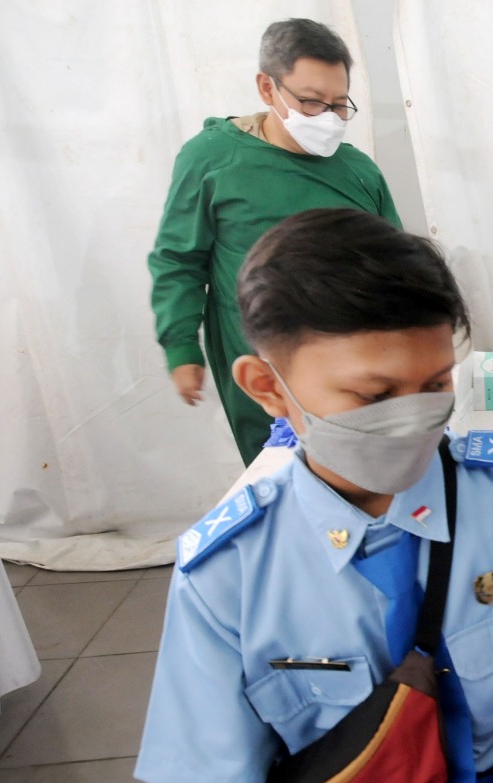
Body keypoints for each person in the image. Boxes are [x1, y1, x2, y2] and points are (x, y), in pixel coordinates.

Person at [136, 209, 493, 783]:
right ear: (269, 388)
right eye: (373, 396)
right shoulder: (228, 573)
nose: (414, 419)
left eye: (434, 385)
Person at [149, 18, 404, 466]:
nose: (327, 117)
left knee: (361, 473)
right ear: (268, 88)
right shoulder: (213, 158)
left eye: (340, 104)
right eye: (310, 102)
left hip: (353, 358)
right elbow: (179, 259)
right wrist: (181, 345)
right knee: (281, 472)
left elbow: (399, 267)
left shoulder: (359, 171)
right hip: (263, 362)